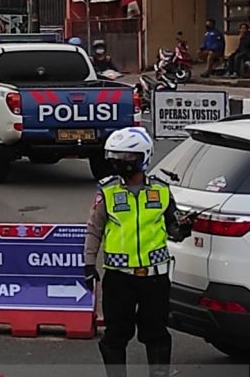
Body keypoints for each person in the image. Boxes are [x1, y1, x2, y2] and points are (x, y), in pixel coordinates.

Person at [84, 127, 192, 377]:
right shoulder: (108, 191)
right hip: (119, 278)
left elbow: (173, 229)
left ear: (142, 157)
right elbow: (94, 230)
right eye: (115, 157)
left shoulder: (161, 191)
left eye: (126, 157)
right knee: (115, 335)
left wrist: (183, 227)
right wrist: (89, 265)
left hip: (155, 278)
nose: (119, 163)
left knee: (156, 333)